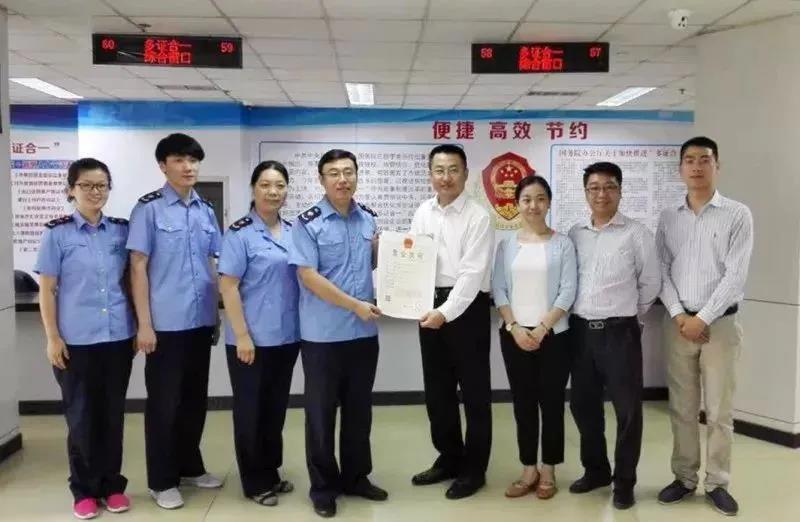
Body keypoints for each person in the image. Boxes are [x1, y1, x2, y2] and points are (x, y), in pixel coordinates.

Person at [656, 137, 753, 517]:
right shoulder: (669, 217)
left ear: (717, 165)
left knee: (718, 411)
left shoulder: (737, 214)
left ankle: (717, 483)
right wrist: (681, 315)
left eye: (704, 160)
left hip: (720, 325)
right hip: (678, 324)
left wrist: (703, 319)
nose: (697, 167)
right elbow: (661, 269)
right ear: (681, 168)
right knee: (681, 408)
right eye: (690, 160)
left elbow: (735, 275)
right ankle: (683, 477)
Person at [126, 133, 223, 510]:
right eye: (180, 160)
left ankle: (189, 467)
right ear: (163, 166)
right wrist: (144, 324)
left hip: (200, 320)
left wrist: (215, 312)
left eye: (193, 160)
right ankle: (162, 480)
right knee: (164, 404)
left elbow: (213, 262)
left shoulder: (205, 209)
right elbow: (138, 266)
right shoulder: (148, 209)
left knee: (194, 400)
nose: (189, 167)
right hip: (164, 324)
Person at [35, 158, 135, 520]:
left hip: (117, 338)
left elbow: (131, 281)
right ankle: (83, 489)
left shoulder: (121, 231)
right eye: (87, 185)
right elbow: (47, 289)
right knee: (81, 418)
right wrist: (52, 337)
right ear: (71, 189)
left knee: (112, 416)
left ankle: (111, 486)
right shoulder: (57, 234)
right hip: (76, 342)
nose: (95, 192)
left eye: (102, 185)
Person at [289, 149, 387, 518]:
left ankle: (356, 478)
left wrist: (392, 255)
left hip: (363, 334)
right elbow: (308, 277)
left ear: (357, 176)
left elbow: (376, 265)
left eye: (348, 172)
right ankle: (323, 487)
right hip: (323, 336)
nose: (342, 179)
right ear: (322, 180)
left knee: (359, 412)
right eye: (334, 173)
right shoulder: (307, 223)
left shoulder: (368, 219)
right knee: (321, 415)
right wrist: (354, 305)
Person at [567, 161, 661, 510]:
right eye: (594, 188)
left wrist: (627, 315)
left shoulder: (637, 234)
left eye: (609, 187)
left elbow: (650, 283)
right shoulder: (575, 233)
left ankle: (624, 482)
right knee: (583, 406)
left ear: (620, 191)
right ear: (585, 193)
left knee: (627, 411)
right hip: (580, 333)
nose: (601, 194)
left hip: (620, 333)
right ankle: (596, 471)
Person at [409, 144, 494, 500]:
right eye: (439, 170)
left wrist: (444, 312)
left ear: (465, 174)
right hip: (429, 306)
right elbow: (414, 260)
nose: (446, 177)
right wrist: (409, 298)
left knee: (474, 394)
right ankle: (449, 457)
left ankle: (474, 469)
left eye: (453, 169)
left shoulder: (479, 216)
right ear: (430, 174)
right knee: (438, 391)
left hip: (467, 309)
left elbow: (472, 274)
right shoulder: (422, 211)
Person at [219, 161, 299, 507]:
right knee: (250, 411)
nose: (273, 192)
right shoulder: (239, 233)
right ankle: (254, 481)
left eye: (279, 185)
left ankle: (271, 471)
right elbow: (228, 287)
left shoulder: (294, 231)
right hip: (249, 340)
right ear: (254, 189)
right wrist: (242, 335)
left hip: (287, 336)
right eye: (266, 185)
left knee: (274, 409)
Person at [492, 175, 577, 500]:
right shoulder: (506, 245)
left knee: (552, 403)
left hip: (554, 337)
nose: (533, 205)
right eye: (527, 199)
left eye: (540, 198)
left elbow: (568, 290)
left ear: (549, 203)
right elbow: (499, 289)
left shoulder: (563, 244)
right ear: (517, 204)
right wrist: (514, 327)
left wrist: (542, 328)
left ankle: (549, 468)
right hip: (514, 336)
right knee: (523, 404)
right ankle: (528, 468)